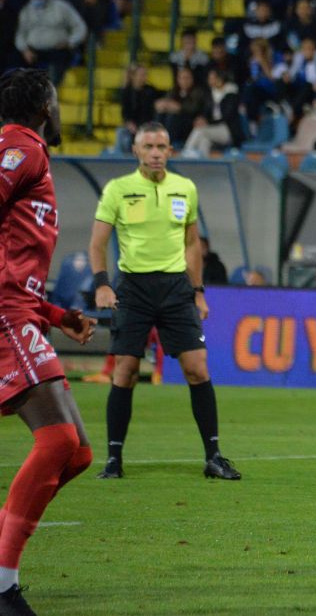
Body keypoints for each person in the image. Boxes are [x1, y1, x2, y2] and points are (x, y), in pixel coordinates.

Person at [89, 122, 241, 481]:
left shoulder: (185, 188)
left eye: (162, 146)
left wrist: (198, 290)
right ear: (136, 151)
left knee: (197, 369)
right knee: (125, 372)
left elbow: (191, 244)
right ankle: (113, 460)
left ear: (171, 151)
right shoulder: (118, 190)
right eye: (149, 146)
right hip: (134, 288)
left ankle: (214, 456)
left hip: (175, 289)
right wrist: (102, 285)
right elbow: (97, 243)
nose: (156, 153)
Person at [0, 68, 97, 615]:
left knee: (78, 453)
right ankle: (2, 586)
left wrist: (56, 314)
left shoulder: (28, 151)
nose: (60, 111)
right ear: (42, 105)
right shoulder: (22, 149)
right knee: (58, 442)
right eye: (57, 101)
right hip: (7, 315)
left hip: (23, 312)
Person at [15, 0, 87, 86]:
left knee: (57, 64)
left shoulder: (61, 6)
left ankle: (51, 93)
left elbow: (80, 27)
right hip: (33, 51)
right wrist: (25, 50)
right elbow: (20, 34)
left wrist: (70, 42)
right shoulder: (26, 10)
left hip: (58, 50)